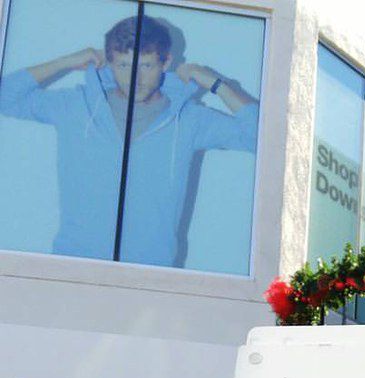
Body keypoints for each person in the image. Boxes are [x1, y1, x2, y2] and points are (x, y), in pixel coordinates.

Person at [0, 16, 259, 267]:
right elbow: (5, 97)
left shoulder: (188, 119)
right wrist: (64, 62)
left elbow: (260, 137)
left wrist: (217, 83)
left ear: (166, 62)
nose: (135, 78)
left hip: (150, 274)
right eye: (124, 65)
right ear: (109, 63)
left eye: (146, 66)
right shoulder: (76, 105)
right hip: (73, 266)